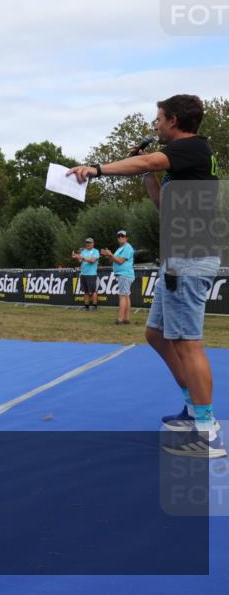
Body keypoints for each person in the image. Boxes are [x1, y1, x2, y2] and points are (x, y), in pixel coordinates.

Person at [69, 94, 223, 458]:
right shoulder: (181, 163)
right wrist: (150, 173)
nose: (155, 126)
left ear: (173, 121)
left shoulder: (194, 148)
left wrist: (97, 168)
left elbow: (147, 159)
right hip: (176, 261)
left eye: (158, 119)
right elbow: (161, 204)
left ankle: (208, 431)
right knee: (156, 334)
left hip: (190, 259)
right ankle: (192, 409)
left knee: (188, 342)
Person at [103, 230, 135, 325]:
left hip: (125, 274)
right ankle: (126, 319)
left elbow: (120, 261)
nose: (120, 237)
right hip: (124, 274)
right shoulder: (120, 249)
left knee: (122, 296)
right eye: (119, 236)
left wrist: (111, 254)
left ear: (126, 238)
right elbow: (113, 261)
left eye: (122, 236)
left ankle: (120, 319)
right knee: (126, 296)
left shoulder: (127, 247)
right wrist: (108, 255)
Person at [70, 238, 100, 310]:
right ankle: (86, 306)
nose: (88, 244)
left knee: (93, 291)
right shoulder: (83, 251)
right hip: (83, 274)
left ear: (93, 243)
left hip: (92, 274)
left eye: (89, 242)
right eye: (87, 242)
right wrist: (76, 257)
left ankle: (94, 306)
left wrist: (81, 257)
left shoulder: (95, 251)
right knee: (85, 291)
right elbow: (80, 260)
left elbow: (93, 260)